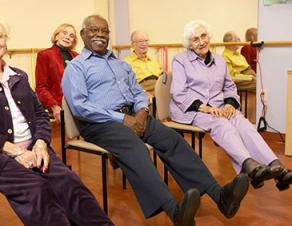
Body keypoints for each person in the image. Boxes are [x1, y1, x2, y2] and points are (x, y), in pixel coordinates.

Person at [62, 15, 250, 226]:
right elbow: (80, 106)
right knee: (136, 148)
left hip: (135, 117)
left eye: (104, 31)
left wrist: (142, 111)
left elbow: (138, 92)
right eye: (93, 30)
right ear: (83, 34)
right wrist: (122, 118)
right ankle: (174, 211)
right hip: (100, 123)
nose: (99, 34)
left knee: (172, 139)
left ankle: (221, 197)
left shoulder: (120, 64)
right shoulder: (76, 67)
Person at [0, 10, 114, 226]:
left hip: (33, 148)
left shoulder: (18, 75)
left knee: (69, 182)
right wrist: (16, 150)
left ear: (5, 41)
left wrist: (40, 143)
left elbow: (39, 114)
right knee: (37, 190)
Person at [170, 19, 292, 192]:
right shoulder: (180, 60)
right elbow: (179, 92)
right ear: (189, 44)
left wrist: (229, 103)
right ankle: (251, 168)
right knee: (222, 124)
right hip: (192, 109)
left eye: (203, 36)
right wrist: (203, 107)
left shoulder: (220, 61)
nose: (201, 41)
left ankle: (278, 169)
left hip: (219, 107)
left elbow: (229, 87)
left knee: (245, 125)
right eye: (195, 39)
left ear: (209, 36)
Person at [35, 23, 78, 121]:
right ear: (57, 35)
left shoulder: (77, 57)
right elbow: (41, 87)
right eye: (65, 33)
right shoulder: (44, 55)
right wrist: (54, 106)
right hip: (58, 105)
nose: (68, 37)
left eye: (71, 36)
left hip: (78, 104)